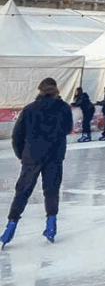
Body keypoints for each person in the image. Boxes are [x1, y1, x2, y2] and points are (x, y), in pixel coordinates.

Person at [1, 78, 73, 248]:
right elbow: (68, 128)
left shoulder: (29, 109)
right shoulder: (63, 108)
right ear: (56, 90)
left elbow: (17, 135)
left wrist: (21, 154)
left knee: (23, 191)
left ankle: (10, 227)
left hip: (32, 156)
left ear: (39, 90)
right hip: (54, 156)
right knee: (51, 190)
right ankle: (51, 225)